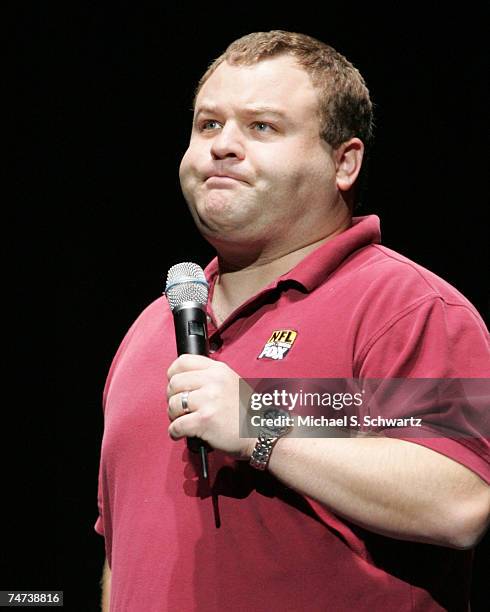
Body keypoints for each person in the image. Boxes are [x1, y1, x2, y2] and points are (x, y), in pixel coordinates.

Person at [95, 31, 490, 611]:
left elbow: (460, 503)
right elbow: (120, 559)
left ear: (344, 162)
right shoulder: (151, 331)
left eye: (262, 127)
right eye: (208, 125)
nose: (222, 146)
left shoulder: (409, 308)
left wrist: (257, 422)